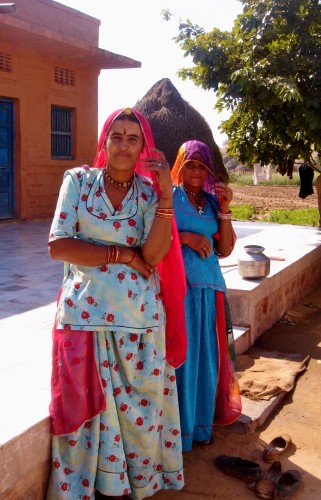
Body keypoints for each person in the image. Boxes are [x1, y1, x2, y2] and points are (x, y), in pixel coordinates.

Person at [46, 107, 187, 499]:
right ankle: (81, 489)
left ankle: (131, 486)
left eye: (132, 138)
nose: (123, 145)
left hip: (138, 320)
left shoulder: (148, 193)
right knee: (81, 409)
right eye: (116, 136)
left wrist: (163, 194)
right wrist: (122, 254)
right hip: (82, 317)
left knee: (138, 413)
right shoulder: (77, 181)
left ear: (143, 147)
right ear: (104, 142)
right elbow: (59, 245)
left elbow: (155, 254)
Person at [171, 140, 242, 452]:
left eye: (201, 165)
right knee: (184, 360)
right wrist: (184, 237)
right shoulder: (169, 197)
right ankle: (182, 432)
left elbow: (225, 250)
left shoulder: (213, 203)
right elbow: (152, 237)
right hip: (180, 290)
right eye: (190, 164)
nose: (196, 171)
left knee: (209, 360)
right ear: (180, 167)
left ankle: (201, 427)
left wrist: (225, 211)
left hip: (210, 289)